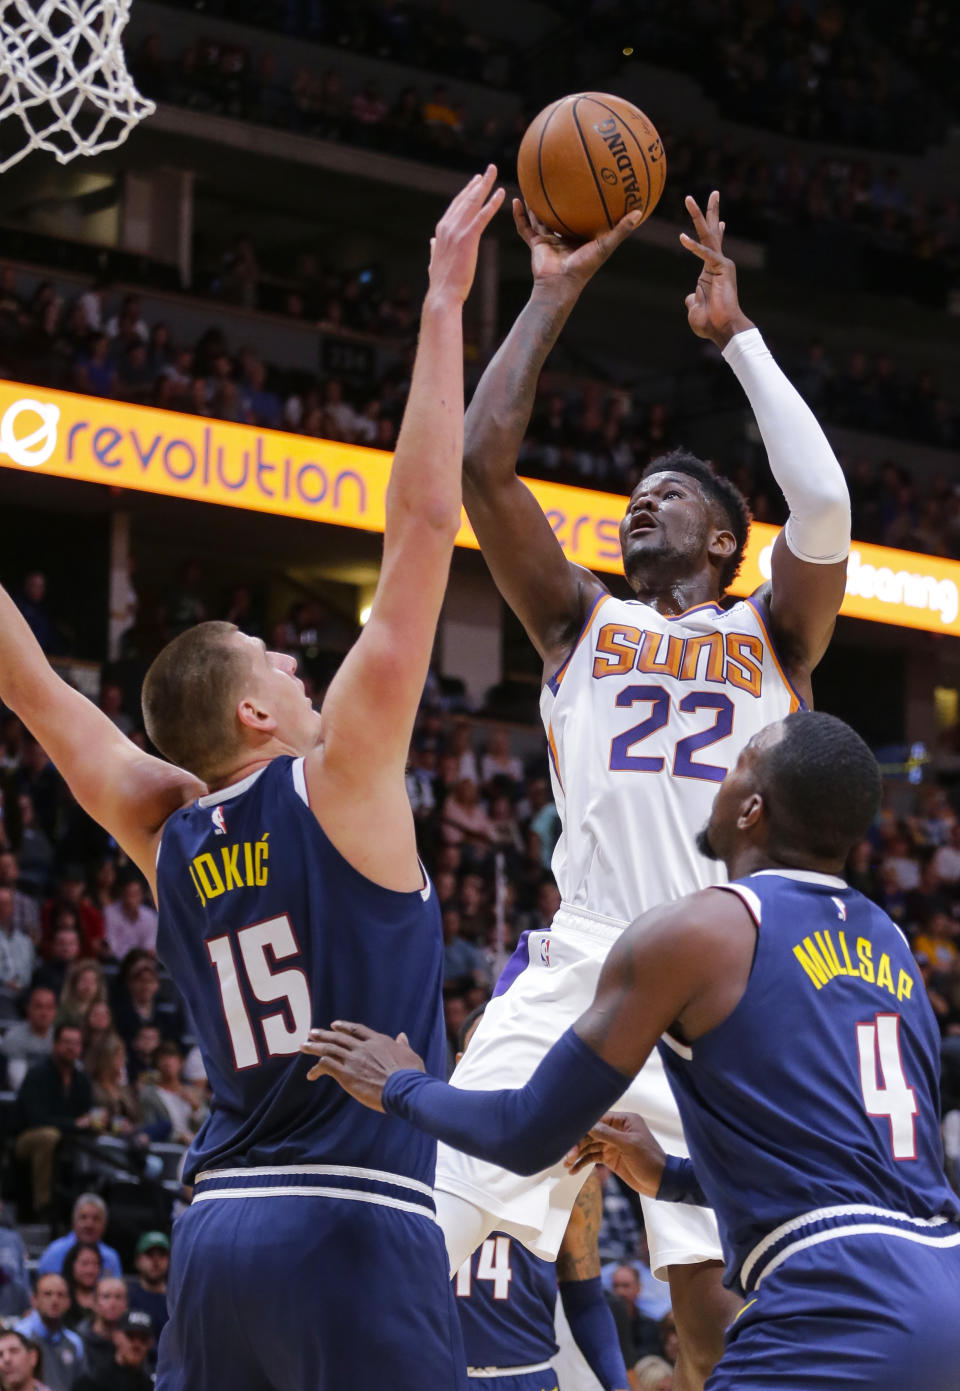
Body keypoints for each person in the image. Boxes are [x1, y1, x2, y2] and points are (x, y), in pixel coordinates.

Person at [0, 167, 503, 1391]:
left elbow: (35, 690)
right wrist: (443, 302)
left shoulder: (162, 821)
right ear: (253, 710)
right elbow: (426, 530)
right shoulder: (339, 779)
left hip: (221, 1229)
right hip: (355, 1221)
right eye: (281, 656)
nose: (300, 657)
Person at [427, 189, 852, 1389]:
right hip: (588, 961)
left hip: (729, 982)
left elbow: (821, 506)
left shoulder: (778, 631)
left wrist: (739, 341)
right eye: (634, 496)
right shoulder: (577, 619)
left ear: (726, 542)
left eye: (674, 494)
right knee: (437, 1229)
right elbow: (478, 461)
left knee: (719, 1325)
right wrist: (553, 290)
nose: (641, 499)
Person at [306, 712, 960, 1390]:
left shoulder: (702, 928)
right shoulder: (892, 944)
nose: (717, 778)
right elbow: (849, 1168)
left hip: (835, 1303)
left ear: (753, 810)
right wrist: (671, 1175)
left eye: (735, 765)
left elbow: (528, 1133)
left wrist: (401, 1083)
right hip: (943, 1285)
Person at [453, 1008, 629, 1391]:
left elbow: (586, 1300)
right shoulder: (417, 1147)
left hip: (527, 1376)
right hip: (432, 1373)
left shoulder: (572, 1166)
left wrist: (618, 1385)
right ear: (461, 1064)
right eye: (490, 1051)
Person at [13, 1025, 94, 1217]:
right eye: (66, 1043)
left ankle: (87, 1203)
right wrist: (74, 1124)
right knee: (49, 1136)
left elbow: (87, 1116)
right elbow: (37, 1119)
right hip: (26, 1138)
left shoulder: (82, 1080)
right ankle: (44, 1206)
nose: (71, 1048)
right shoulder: (38, 1074)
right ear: (55, 1045)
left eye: (76, 1044)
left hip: (68, 1139)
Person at [16, 1276, 84, 1391]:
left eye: (60, 1295)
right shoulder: (20, 1337)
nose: (54, 1300)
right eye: (47, 1294)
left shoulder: (75, 1342)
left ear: (68, 1302)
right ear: (34, 1300)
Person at [37, 1196, 122, 1280]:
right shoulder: (54, 1252)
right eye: (83, 1217)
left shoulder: (111, 1258)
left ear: (104, 1225)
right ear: (73, 1221)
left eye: (96, 1219)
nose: (89, 1224)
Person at [73, 1311, 152, 1391]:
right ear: (116, 1336)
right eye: (130, 1336)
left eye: (143, 1339)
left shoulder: (152, 1384)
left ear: (151, 1343)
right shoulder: (94, 1378)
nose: (137, 1344)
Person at [74, 1278, 129, 1381]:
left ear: (126, 1305)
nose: (113, 1303)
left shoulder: (132, 1338)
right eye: (106, 1297)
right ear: (94, 1303)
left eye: (118, 1297)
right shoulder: (78, 1338)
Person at [1, 987, 56, 1091]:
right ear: (29, 1009)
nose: (44, 1013)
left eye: (49, 1007)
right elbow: (18, 1082)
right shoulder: (14, 1038)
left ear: (55, 1011)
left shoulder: (61, 1037)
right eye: (39, 1007)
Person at [124, 1233, 168, 1343]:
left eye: (161, 1255)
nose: (156, 1261)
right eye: (150, 1255)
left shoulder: (178, 1299)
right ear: (137, 1260)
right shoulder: (125, 1295)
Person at [61, 1244, 103, 1329]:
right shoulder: (60, 1295)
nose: (90, 1270)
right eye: (84, 1264)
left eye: (96, 1264)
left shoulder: (106, 1296)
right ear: (71, 1265)